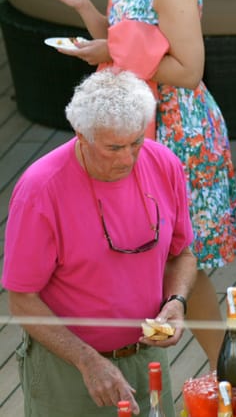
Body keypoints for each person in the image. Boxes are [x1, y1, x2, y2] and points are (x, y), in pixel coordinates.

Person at [47, 0, 236, 362]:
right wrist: (83, 6)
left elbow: (189, 71)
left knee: (184, 259)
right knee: (147, 249)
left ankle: (230, 375)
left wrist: (112, 52)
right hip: (136, 118)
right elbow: (117, 36)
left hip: (177, 130)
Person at [3, 68, 196, 416]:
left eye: (136, 142)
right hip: (69, 368)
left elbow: (182, 255)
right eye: (114, 147)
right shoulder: (40, 191)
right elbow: (21, 300)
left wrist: (177, 301)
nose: (128, 158)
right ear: (82, 136)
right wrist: (87, 361)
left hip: (147, 357)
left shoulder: (164, 163)